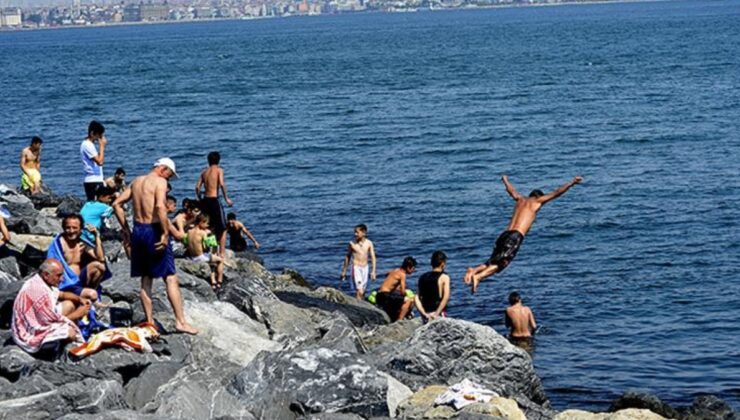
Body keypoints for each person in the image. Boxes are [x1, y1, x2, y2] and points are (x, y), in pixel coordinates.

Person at [113, 157, 198, 335]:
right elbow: (160, 206)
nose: (169, 179)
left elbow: (117, 204)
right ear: (163, 169)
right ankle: (180, 322)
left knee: (145, 279)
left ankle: (150, 322)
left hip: (138, 229)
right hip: (154, 229)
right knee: (170, 277)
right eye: (170, 174)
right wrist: (165, 233)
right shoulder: (160, 182)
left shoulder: (136, 181)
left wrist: (126, 229)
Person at [464, 175, 583, 293]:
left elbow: (512, 191)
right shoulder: (537, 201)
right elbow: (556, 193)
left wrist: (505, 180)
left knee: (493, 261)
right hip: (515, 236)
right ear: (539, 197)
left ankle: (473, 270)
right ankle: (478, 277)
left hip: (505, 234)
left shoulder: (520, 199)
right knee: (502, 264)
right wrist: (571, 183)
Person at [11, 259, 87, 360]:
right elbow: (46, 323)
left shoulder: (43, 282)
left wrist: (79, 299)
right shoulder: (37, 290)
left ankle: (68, 343)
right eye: (59, 275)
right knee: (70, 332)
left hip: (42, 319)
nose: (62, 279)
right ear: (46, 275)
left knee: (69, 305)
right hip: (29, 332)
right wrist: (78, 314)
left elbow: (61, 294)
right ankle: (61, 352)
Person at [47, 214, 107, 302]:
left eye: (75, 228)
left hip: (80, 281)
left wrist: (96, 236)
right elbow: (50, 266)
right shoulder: (58, 245)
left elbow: (101, 258)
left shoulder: (82, 243)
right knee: (92, 295)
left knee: (99, 266)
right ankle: (85, 296)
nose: (71, 231)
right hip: (64, 283)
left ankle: (89, 290)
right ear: (64, 228)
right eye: (68, 228)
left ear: (81, 229)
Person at [195, 151, 233, 258]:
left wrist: (199, 198)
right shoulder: (219, 170)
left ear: (208, 161)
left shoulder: (204, 172)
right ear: (219, 160)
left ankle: (212, 251)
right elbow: (221, 184)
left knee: (209, 227)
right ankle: (221, 253)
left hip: (205, 200)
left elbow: (197, 187)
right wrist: (227, 199)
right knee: (223, 228)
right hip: (214, 200)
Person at [186, 214, 225, 290]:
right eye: (206, 223)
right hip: (200, 257)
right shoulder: (202, 233)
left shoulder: (189, 231)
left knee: (211, 261)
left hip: (192, 257)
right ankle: (219, 281)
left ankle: (213, 282)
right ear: (201, 222)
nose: (207, 225)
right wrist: (209, 234)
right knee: (220, 260)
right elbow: (209, 246)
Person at [339, 224, 377, 299]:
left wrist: (373, 271)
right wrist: (344, 271)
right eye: (354, 232)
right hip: (356, 268)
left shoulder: (369, 243)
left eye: (357, 232)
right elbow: (347, 257)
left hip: (365, 268)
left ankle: (360, 305)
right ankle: (358, 306)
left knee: (363, 290)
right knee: (360, 290)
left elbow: (373, 257)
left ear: (364, 233)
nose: (355, 234)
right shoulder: (352, 244)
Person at [376, 256, 417, 322]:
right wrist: (406, 295)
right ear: (408, 268)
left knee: (398, 298)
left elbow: (387, 274)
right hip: (385, 296)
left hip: (379, 295)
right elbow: (402, 291)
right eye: (413, 268)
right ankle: (399, 321)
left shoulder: (396, 270)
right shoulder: (402, 274)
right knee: (408, 301)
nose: (414, 270)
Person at [415, 250, 451, 322]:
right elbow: (446, 297)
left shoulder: (422, 277)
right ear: (443, 263)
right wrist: (437, 313)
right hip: (438, 313)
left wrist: (424, 313)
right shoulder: (444, 277)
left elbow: (416, 298)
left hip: (426, 314)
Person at [80, 121, 108, 202]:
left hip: (96, 180)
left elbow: (98, 160)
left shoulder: (90, 145)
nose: (99, 138)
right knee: (95, 205)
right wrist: (102, 147)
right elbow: (100, 162)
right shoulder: (87, 145)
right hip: (92, 181)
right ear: (92, 133)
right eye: (99, 135)